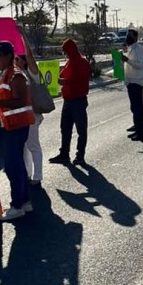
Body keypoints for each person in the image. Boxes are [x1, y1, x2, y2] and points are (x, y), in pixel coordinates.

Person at [0, 41, 35, 221]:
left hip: (14, 126)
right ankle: (25, 201)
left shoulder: (16, 75)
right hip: (4, 127)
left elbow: (20, 100)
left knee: (13, 167)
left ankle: (17, 205)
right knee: (16, 165)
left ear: (8, 56)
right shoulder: (2, 75)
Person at [50, 38, 90, 166]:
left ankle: (80, 156)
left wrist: (65, 82)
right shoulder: (69, 62)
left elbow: (80, 81)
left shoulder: (82, 62)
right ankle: (64, 154)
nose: (65, 54)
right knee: (65, 128)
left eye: (65, 51)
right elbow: (62, 75)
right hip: (68, 100)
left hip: (78, 100)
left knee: (81, 130)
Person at [16, 35, 44, 186]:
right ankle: (28, 174)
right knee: (25, 146)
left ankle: (37, 177)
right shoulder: (16, 75)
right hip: (21, 115)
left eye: (17, 59)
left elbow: (30, 57)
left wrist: (23, 38)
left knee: (33, 145)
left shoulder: (32, 73)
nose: (15, 62)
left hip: (32, 114)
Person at [122, 29, 143, 141]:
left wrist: (127, 60)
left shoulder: (138, 49)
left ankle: (142, 133)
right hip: (130, 81)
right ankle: (138, 130)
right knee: (134, 109)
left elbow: (140, 65)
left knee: (138, 108)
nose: (126, 37)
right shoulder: (130, 49)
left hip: (137, 82)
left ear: (135, 37)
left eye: (129, 35)